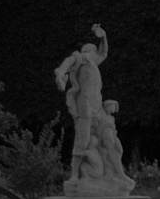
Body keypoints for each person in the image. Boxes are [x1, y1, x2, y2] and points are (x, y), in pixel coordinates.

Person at [53, 26, 130, 190]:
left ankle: (119, 174)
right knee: (83, 140)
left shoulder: (92, 63)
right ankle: (75, 175)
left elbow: (104, 53)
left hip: (98, 108)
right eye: (94, 50)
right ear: (89, 51)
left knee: (109, 139)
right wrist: (60, 73)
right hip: (86, 107)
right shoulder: (84, 58)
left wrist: (104, 37)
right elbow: (69, 61)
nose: (97, 54)